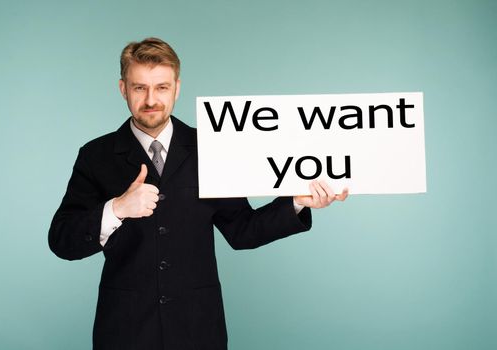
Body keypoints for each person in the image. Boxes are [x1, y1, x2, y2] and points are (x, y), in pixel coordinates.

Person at [48, 37, 348, 350]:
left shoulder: (211, 148)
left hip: (198, 329)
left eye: (162, 87)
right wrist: (117, 208)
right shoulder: (96, 155)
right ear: (123, 89)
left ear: (177, 88)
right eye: (140, 88)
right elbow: (62, 240)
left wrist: (297, 202)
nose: (151, 99)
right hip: (125, 331)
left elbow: (242, 231)